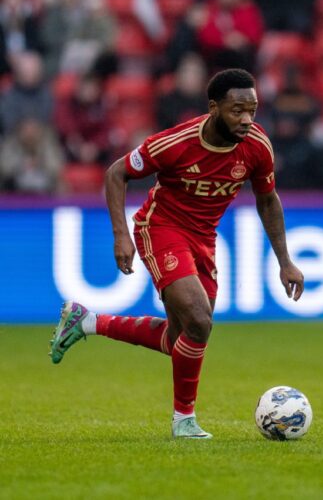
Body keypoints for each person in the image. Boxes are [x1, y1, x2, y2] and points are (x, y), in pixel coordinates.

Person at [48, 68, 305, 439]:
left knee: (180, 338)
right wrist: (122, 236)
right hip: (161, 228)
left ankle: (86, 322)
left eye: (252, 110)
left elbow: (267, 200)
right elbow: (115, 173)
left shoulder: (257, 146)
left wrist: (285, 261)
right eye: (237, 110)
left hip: (204, 238)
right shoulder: (176, 142)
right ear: (214, 107)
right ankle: (184, 421)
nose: (247, 119)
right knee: (200, 321)